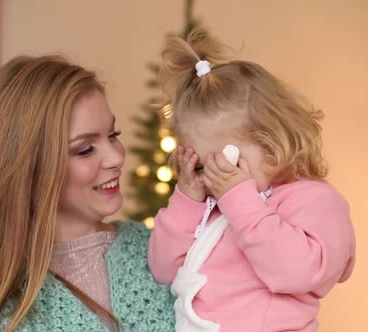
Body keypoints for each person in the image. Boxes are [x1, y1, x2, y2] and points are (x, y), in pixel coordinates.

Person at [0, 55, 176, 332]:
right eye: (85, 149)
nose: (116, 157)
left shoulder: (161, 252)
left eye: (113, 135)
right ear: (30, 168)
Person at [147, 29, 356, 331]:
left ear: (271, 145)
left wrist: (241, 202)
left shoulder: (314, 200)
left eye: (225, 162)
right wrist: (187, 199)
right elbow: (163, 270)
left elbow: (297, 273)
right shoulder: (210, 207)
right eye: (203, 166)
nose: (213, 179)